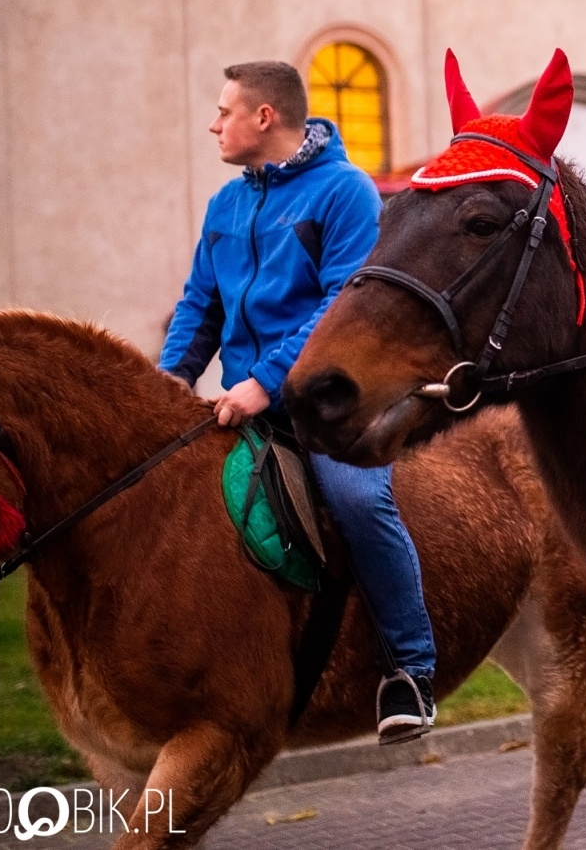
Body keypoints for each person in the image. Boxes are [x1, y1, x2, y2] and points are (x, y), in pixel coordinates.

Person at [160, 61, 438, 743]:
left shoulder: (345, 192)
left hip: (325, 404)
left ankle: (411, 670)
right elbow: (200, 305)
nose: (213, 123)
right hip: (239, 398)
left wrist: (268, 382)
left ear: (264, 117)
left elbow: (343, 302)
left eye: (224, 111)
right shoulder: (227, 203)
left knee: (356, 499)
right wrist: (163, 388)